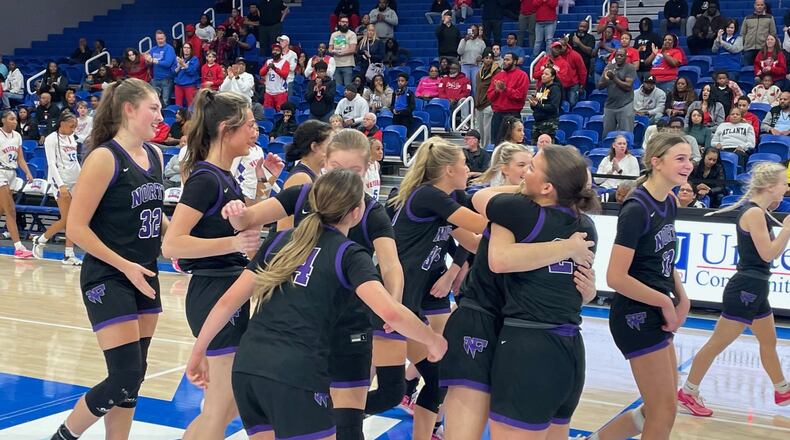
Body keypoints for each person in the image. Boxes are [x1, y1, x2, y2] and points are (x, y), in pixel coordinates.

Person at [186, 168, 445, 440]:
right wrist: (432, 340)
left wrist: (198, 351)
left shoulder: (279, 241)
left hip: (248, 369)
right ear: (357, 212)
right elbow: (391, 312)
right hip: (296, 374)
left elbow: (228, 301)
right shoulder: (350, 255)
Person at [211, 131, 408, 439]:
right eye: (336, 166)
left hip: (349, 328)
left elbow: (391, 264)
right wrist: (235, 213)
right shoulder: (303, 194)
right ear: (324, 163)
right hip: (302, 333)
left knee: (347, 424)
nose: (343, 175)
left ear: (367, 169)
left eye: (353, 170)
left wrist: (391, 305)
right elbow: (247, 219)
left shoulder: (370, 210)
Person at [48, 78, 166, 440]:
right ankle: (63, 437)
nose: (160, 115)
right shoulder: (104, 157)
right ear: (128, 110)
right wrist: (125, 265)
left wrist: (181, 238)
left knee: (136, 374)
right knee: (124, 374)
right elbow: (77, 229)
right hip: (109, 276)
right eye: (154, 108)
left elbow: (157, 215)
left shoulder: (157, 155)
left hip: (144, 274)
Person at [161, 89, 272, 440]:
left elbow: (243, 227)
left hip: (227, 288)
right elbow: (171, 244)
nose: (256, 132)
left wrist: (264, 184)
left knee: (227, 405)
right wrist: (233, 243)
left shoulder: (226, 176)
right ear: (227, 129)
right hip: (212, 291)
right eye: (250, 126)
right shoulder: (205, 179)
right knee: (221, 406)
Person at [467, 145, 598, 440]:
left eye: (532, 169)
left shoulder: (520, 211)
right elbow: (582, 289)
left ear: (548, 186)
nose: (525, 174)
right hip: (570, 351)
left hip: (528, 348)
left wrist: (522, 190)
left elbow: (479, 197)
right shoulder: (586, 226)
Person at [588, 133, 693, 440]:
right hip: (634, 314)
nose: (688, 165)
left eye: (690, 159)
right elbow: (616, 277)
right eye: (681, 158)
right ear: (656, 162)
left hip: (656, 308)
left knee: (659, 407)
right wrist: (664, 302)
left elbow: (666, 257)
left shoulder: (669, 202)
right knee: (663, 410)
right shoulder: (636, 208)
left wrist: (682, 298)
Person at [380, 138, 484, 440]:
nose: (469, 170)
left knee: (436, 377)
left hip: (406, 304)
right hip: (390, 300)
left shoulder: (439, 202)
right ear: (449, 170)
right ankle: (322, 422)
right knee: (377, 388)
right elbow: (481, 223)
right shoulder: (428, 196)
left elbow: (475, 243)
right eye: (465, 165)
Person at [678, 162, 790, 417]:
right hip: (747, 288)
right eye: (784, 183)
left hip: (755, 287)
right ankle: (688, 390)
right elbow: (769, 253)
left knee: (769, 341)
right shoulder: (754, 214)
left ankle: (782, 389)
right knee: (717, 343)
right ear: (771, 187)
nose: (786, 187)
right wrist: (786, 231)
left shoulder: (758, 212)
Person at [31, 111, 82, 264]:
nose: (74, 129)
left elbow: (74, 161)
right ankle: (41, 240)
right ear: (62, 124)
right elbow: (51, 164)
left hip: (75, 180)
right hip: (61, 182)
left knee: (73, 219)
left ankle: (67, 254)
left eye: (75, 127)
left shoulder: (71, 137)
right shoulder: (51, 139)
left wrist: (81, 178)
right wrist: (61, 186)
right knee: (68, 219)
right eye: (72, 126)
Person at [278, 120, 335, 230]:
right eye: (330, 145)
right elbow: (284, 228)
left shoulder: (320, 173)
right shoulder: (301, 178)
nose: (334, 150)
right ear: (314, 146)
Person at [0, 110, 34, 259]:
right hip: (1, 172)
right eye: (11, 119)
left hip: (12, 172)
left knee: (1, 209)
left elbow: (20, 158)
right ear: (3, 120)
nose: (14, 121)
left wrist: (27, 172)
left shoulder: (17, 136)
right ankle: (18, 247)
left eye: (15, 119)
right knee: (11, 210)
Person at [488, 53, 529, 144]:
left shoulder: (522, 75)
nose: (505, 62)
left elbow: (520, 96)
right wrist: (496, 91)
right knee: (496, 143)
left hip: (513, 114)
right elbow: (490, 96)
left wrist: (505, 89)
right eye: (504, 60)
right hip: (498, 115)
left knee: (514, 143)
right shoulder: (497, 76)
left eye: (508, 60)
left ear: (514, 62)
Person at [600, 48, 637, 136]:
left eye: (622, 55)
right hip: (610, 105)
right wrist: (607, 78)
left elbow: (628, 87)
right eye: (617, 55)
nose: (619, 57)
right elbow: (600, 86)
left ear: (626, 57)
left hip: (625, 104)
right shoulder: (609, 67)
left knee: (626, 134)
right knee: (607, 135)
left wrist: (614, 78)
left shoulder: (630, 68)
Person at [529, 67, 561, 144]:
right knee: (534, 145)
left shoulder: (555, 89)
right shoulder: (541, 88)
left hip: (549, 123)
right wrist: (533, 104)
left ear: (552, 77)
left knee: (547, 149)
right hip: (538, 122)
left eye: (546, 74)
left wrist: (538, 105)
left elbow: (553, 107)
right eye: (543, 74)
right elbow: (537, 106)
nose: (543, 76)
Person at [145, 30, 177, 106]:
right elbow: (148, 64)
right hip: (155, 79)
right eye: (158, 39)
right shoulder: (153, 49)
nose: (160, 41)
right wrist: (148, 61)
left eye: (162, 38)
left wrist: (154, 61)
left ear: (165, 38)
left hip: (167, 79)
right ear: (156, 39)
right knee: (155, 101)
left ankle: (166, 117)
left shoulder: (169, 49)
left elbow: (168, 63)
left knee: (165, 101)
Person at [741, 0, 777, 65]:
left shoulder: (770, 18)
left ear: (764, 6)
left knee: (762, 70)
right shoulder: (747, 18)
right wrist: (742, 46)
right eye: (758, 5)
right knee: (747, 70)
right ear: (754, 6)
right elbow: (743, 33)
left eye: (761, 5)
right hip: (748, 48)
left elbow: (773, 33)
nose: (759, 6)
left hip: (763, 48)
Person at [330, 15, 358, 87]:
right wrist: (333, 51)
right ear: (339, 23)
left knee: (348, 86)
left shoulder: (352, 34)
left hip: (348, 64)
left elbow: (353, 49)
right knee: (338, 87)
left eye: (347, 22)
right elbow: (330, 48)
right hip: (336, 64)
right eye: (343, 22)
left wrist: (341, 53)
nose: (345, 23)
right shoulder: (334, 34)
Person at [260, 44, 290, 111]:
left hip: (280, 93)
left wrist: (275, 68)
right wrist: (267, 68)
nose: (275, 52)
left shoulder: (285, 62)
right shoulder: (268, 61)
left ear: (281, 52)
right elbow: (261, 73)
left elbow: (285, 74)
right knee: (267, 113)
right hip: (269, 92)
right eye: (274, 50)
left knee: (280, 113)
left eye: (277, 50)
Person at [635, 17, 663, 82]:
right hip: (639, 67)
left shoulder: (655, 36)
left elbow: (660, 48)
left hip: (650, 66)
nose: (644, 26)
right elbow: (634, 51)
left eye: (646, 24)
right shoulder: (637, 38)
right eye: (643, 24)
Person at [569, 20, 597, 84]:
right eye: (580, 26)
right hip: (572, 64)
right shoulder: (572, 35)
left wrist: (579, 43)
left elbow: (589, 51)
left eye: (584, 27)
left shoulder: (590, 37)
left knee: (583, 85)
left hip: (584, 64)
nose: (582, 29)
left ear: (587, 28)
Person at [174, 43, 200, 108]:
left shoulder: (194, 59)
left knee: (191, 105)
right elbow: (173, 72)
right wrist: (179, 66)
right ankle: (179, 118)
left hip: (189, 85)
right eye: (185, 47)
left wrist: (184, 65)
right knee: (178, 105)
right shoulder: (178, 59)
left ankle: (191, 118)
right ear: (182, 49)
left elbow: (192, 72)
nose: (186, 49)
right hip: (178, 85)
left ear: (191, 50)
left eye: (188, 48)